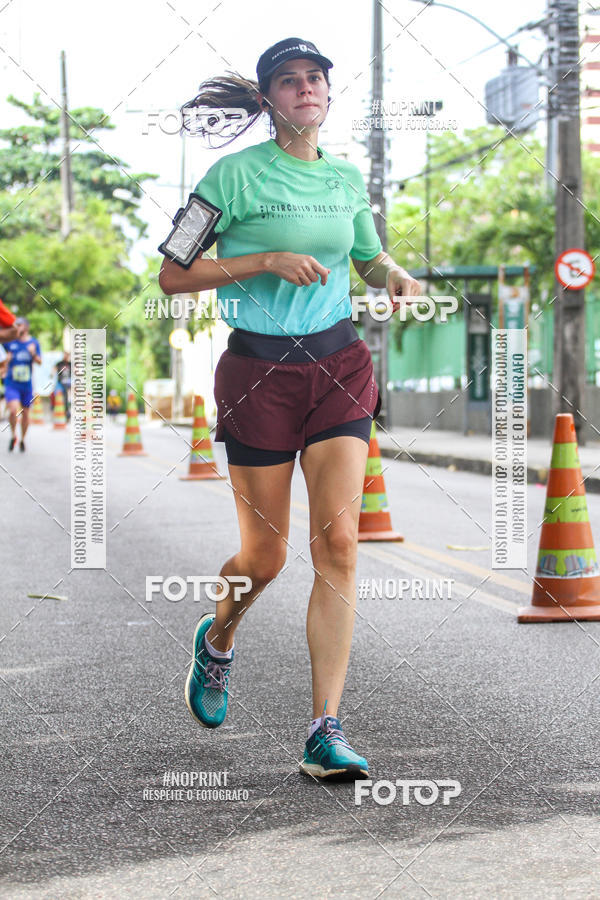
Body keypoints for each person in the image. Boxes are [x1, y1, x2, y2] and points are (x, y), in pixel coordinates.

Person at [159, 37, 421, 780]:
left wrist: (394, 274)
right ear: (268, 98)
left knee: (339, 544)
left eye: (316, 77)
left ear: (328, 94)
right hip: (258, 373)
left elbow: (366, 255)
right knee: (266, 558)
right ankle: (218, 639)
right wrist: (263, 261)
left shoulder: (345, 178)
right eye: (289, 79)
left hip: (339, 366)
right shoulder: (231, 176)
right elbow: (173, 274)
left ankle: (323, 730)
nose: (306, 87)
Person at [2, 317, 41, 452]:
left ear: (26, 327)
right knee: (13, 410)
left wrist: (33, 353)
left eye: (20, 325)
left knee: (26, 414)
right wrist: (6, 360)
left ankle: (23, 439)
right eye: (16, 325)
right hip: (12, 383)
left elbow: (40, 362)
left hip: (26, 385)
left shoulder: (33, 343)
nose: (17, 327)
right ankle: (13, 435)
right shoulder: (10, 343)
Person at [54, 351, 72, 420]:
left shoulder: (70, 364)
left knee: (67, 398)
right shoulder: (59, 363)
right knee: (58, 397)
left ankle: (67, 413)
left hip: (68, 383)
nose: (66, 356)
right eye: (65, 355)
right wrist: (52, 373)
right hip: (60, 383)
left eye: (67, 355)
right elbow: (54, 369)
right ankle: (57, 411)